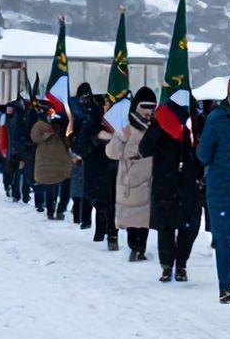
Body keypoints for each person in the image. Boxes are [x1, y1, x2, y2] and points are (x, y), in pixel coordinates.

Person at [139, 97, 204, 283]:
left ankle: (181, 264)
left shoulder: (196, 123)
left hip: (188, 182)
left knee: (189, 226)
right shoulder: (160, 124)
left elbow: (202, 151)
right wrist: (156, 128)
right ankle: (167, 265)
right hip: (165, 182)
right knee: (166, 226)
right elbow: (145, 149)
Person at [198, 75, 230, 303]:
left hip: (221, 186)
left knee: (223, 238)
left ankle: (226, 286)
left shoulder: (216, 118)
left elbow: (203, 154)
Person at [104, 87, 156, 262]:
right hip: (131, 176)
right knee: (134, 213)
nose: (149, 111)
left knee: (144, 215)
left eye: (152, 106)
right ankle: (136, 247)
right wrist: (119, 137)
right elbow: (112, 152)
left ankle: (139, 248)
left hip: (150, 176)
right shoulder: (128, 127)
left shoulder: (157, 126)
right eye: (145, 106)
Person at [73, 85, 119, 247]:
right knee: (105, 200)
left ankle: (106, 234)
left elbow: (81, 145)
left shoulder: (92, 117)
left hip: (104, 163)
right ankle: (106, 233)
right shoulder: (94, 118)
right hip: (104, 163)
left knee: (104, 200)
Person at [31, 112, 73, 219]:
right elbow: (70, 145)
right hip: (64, 165)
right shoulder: (65, 132)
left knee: (51, 187)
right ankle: (60, 210)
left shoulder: (43, 132)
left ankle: (50, 210)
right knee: (65, 189)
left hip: (49, 167)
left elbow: (34, 137)